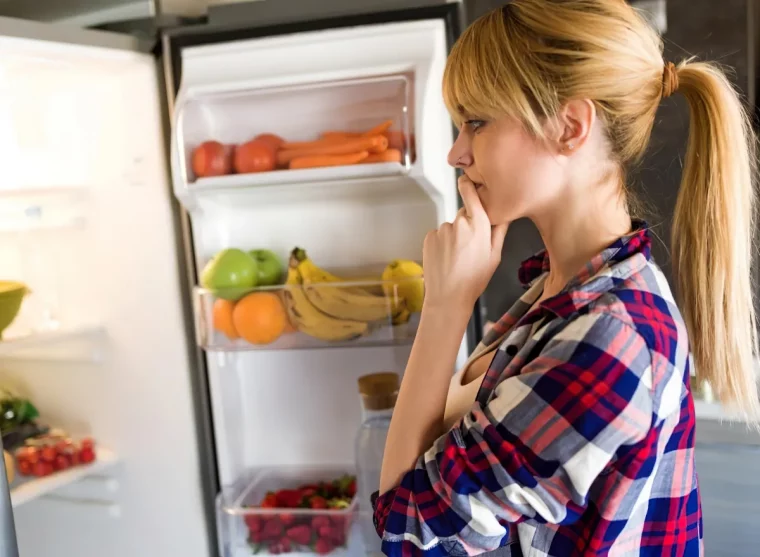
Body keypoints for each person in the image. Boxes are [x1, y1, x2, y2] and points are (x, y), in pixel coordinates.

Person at [372, 1, 759, 556]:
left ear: (570, 127)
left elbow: (408, 533)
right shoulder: (558, 294)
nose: (458, 153)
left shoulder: (608, 339)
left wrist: (445, 308)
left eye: (476, 122)